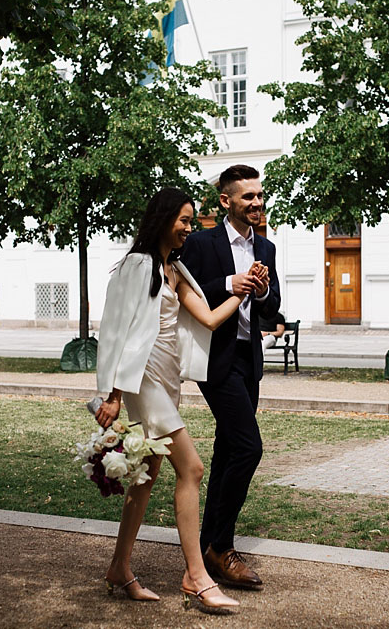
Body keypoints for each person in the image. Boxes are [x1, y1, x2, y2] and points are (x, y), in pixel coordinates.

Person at [94, 187, 263, 613]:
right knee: (192, 468)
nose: (190, 228)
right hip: (143, 380)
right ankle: (196, 577)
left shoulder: (176, 270)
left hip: (169, 381)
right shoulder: (138, 265)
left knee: (145, 480)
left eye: (192, 221)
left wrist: (243, 292)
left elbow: (207, 318)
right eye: (184, 221)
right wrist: (110, 394)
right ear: (164, 219)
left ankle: (119, 567)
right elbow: (113, 329)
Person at [180, 164, 281, 590]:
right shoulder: (201, 243)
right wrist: (232, 282)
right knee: (248, 447)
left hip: (248, 358)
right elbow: (187, 289)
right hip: (215, 361)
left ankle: (207, 548)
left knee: (227, 451)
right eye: (248, 198)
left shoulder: (268, 247)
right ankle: (221, 547)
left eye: (260, 196)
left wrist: (260, 291)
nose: (257, 204)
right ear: (226, 201)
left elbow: (273, 309)